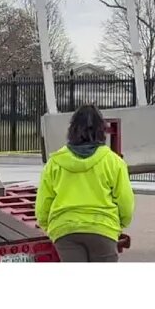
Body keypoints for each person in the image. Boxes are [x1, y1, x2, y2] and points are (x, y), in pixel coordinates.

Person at [35, 105, 135, 262]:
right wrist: (118, 224)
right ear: (102, 130)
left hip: (65, 231)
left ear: (72, 129)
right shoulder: (113, 162)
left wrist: (48, 225)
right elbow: (126, 202)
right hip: (103, 229)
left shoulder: (55, 162)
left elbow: (43, 204)